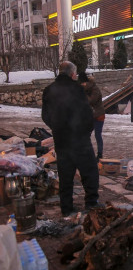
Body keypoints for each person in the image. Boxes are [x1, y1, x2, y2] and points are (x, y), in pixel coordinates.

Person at [42, 61, 100, 216]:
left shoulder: (48, 90)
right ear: (72, 74)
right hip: (80, 139)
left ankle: (66, 208)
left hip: (61, 140)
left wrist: (57, 127)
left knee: (65, 175)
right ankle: (91, 204)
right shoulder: (77, 90)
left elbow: (45, 116)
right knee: (89, 172)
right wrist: (86, 131)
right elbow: (87, 114)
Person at [78, 72, 105, 159]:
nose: (81, 85)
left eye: (82, 83)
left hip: (98, 115)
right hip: (89, 116)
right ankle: (86, 153)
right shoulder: (85, 89)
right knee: (86, 134)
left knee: (97, 134)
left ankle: (100, 154)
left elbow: (91, 101)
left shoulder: (95, 89)